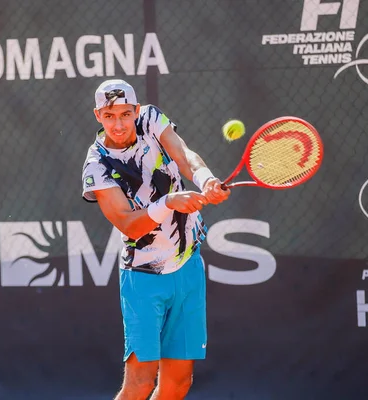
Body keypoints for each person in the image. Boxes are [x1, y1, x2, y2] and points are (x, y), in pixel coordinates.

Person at [81, 79, 230, 400]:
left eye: (125, 114)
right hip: (143, 279)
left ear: (136, 111)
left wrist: (205, 179)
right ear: (98, 116)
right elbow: (127, 224)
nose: (118, 123)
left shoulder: (150, 119)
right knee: (140, 383)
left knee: (179, 383)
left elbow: (182, 154)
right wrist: (169, 203)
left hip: (188, 265)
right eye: (109, 116)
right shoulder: (97, 165)